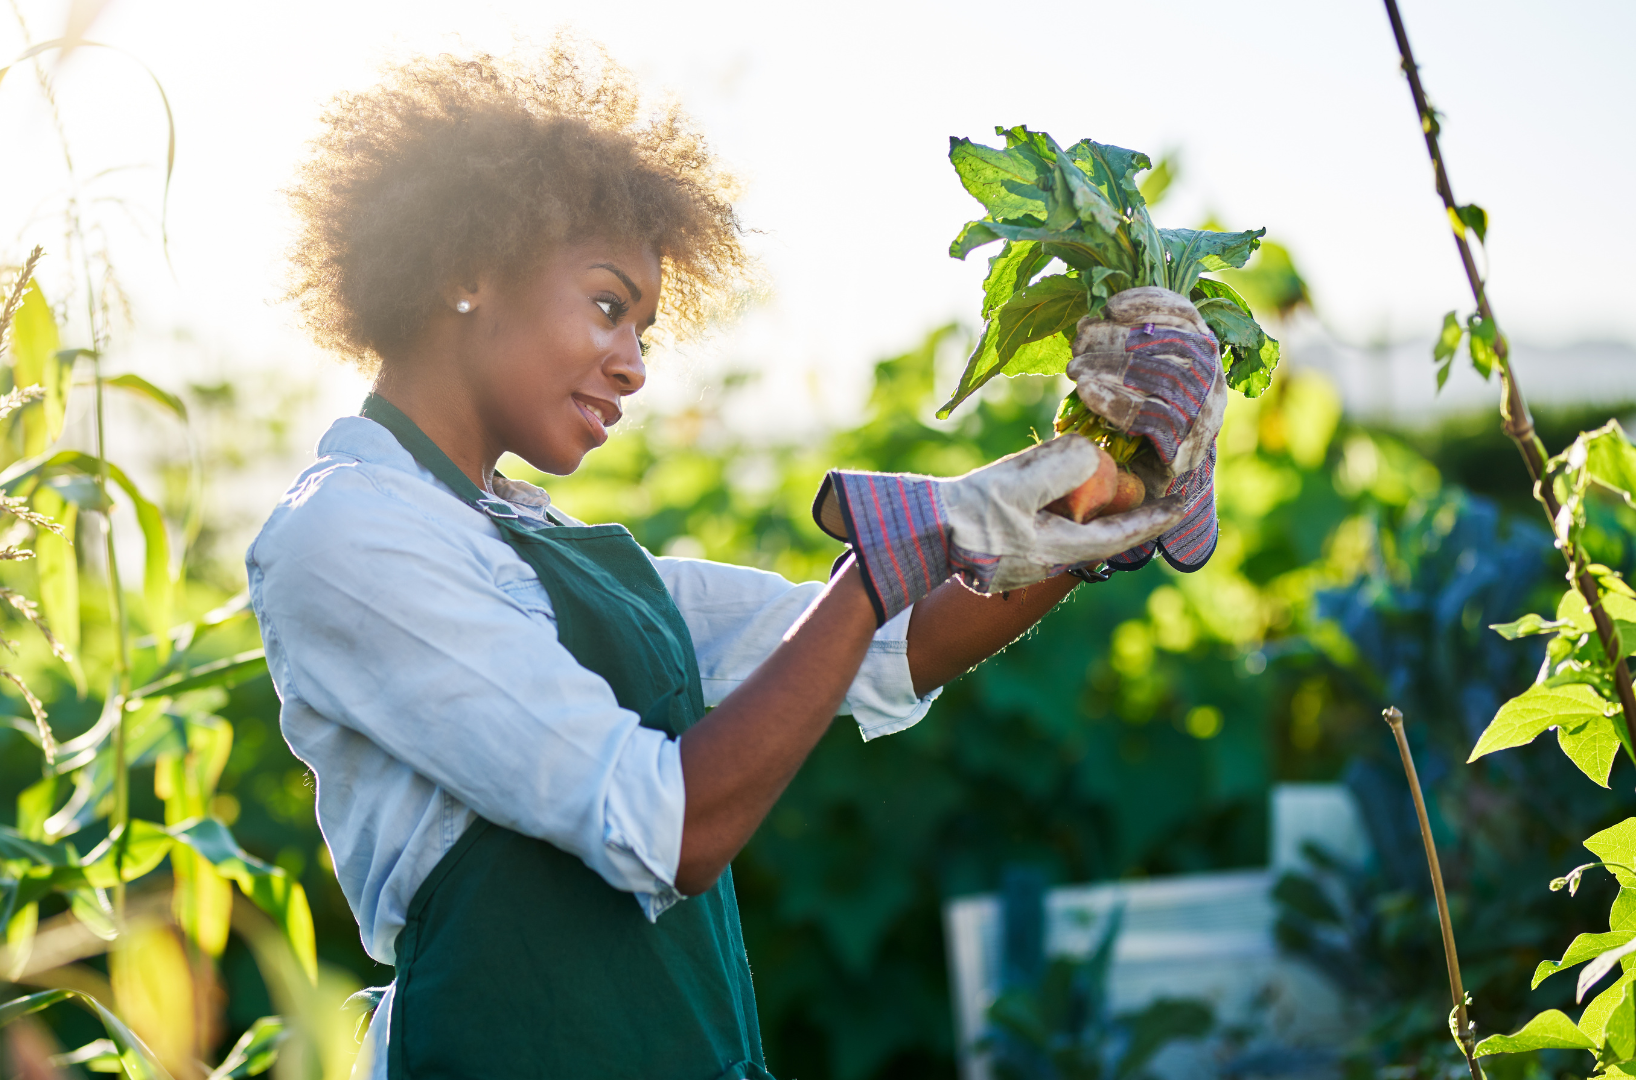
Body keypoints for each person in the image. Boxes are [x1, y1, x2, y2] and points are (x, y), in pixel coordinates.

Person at [249, 41, 1224, 1080]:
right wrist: (891, 559)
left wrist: (1094, 506)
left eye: (646, 329)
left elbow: (886, 643)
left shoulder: (554, 553)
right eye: (609, 304)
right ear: (465, 274)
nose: (633, 363)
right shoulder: (349, 537)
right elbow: (661, 830)